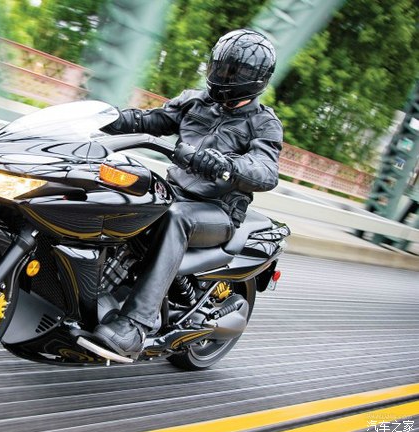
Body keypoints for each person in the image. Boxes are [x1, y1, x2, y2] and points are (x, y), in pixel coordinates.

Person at [93, 29, 284, 356]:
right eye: (221, 67)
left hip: (217, 211)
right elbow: (150, 120)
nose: (224, 76)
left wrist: (225, 165)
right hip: (174, 191)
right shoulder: (195, 101)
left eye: (235, 72)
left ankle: (136, 325)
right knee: (119, 189)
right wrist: (104, 118)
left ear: (256, 78)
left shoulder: (263, 123)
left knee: (176, 218)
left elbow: (265, 170)